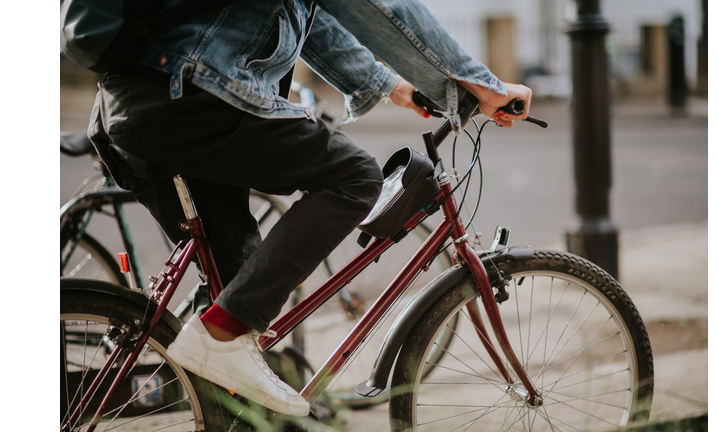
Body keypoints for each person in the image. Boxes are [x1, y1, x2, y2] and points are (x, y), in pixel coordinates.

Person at [87, 0, 532, 417]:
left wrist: (396, 87)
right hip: (195, 95)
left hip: (136, 107)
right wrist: (481, 83)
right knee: (354, 178)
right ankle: (221, 333)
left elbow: (308, 20)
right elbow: (379, 8)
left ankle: (225, 377)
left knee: (239, 280)